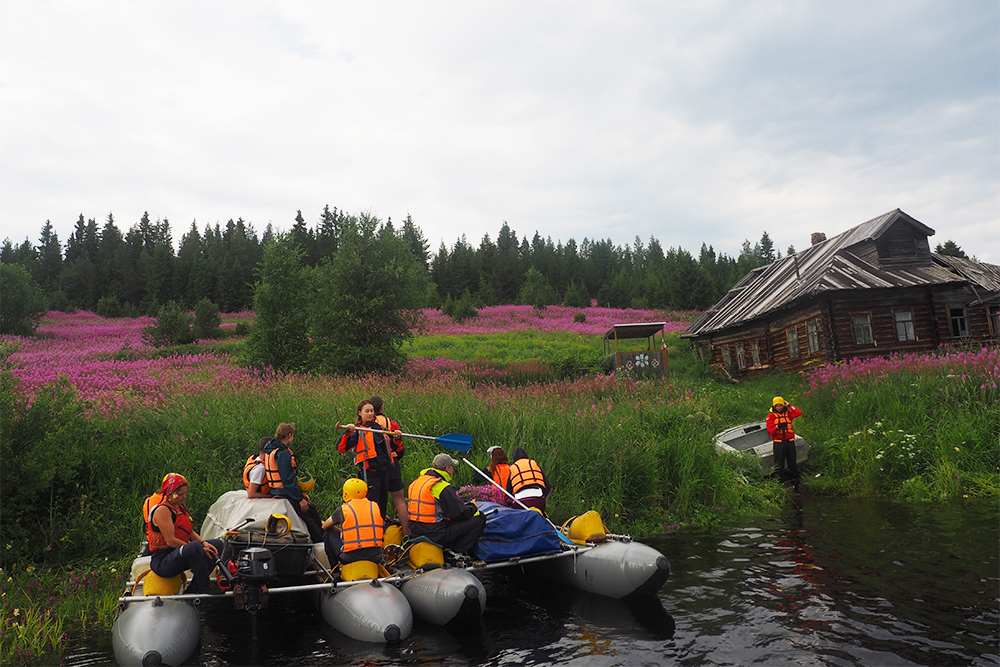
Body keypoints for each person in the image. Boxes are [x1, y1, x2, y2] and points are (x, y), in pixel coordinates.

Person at [147, 473, 226, 595]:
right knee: (194, 547)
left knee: (217, 545)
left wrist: (203, 543)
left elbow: (190, 532)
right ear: (170, 493)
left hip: (176, 553)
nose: (184, 497)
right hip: (163, 560)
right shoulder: (163, 511)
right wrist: (197, 549)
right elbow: (170, 541)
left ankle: (195, 586)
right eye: (180, 494)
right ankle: (204, 586)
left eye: (185, 493)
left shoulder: (178, 507)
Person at [407, 453, 486, 556]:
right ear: (448, 468)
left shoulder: (416, 483)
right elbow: (458, 514)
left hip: (415, 531)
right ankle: (458, 552)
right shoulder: (442, 486)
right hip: (436, 534)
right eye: (452, 467)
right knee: (479, 518)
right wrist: (472, 507)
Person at [338, 400, 401, 522]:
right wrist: (347, 432)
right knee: (372, 506)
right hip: (369, 474)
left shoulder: (381, 429)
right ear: (360, 413)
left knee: (381, 508)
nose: (370, 413)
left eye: (372, 411)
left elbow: (396, 448)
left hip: (384, 473)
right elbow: (342, 448)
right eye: (367, 411)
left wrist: (397, 437)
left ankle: (380, 534)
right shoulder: (357, 430)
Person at [263, 423, 324, 542]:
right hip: (284, 492)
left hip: (275, 490)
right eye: (292, 436)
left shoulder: (270, 448)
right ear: (289, 435)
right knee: (311, 512)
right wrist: (300, 499)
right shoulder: (283, 453)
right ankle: (320, 541)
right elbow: (288, 479)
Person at [369, 396, 410, 536]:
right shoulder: (392, 424)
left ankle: (376, 536)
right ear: (381, 408)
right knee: (400, 501)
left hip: (374, 468)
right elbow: (400, 450)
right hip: (392, 465)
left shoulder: (364, 425)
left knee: (375, 504)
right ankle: (406, 535)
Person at [322, 478, 385, 567]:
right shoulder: (374, 506)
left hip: (350, 558)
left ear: (346, 493)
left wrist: (338, 529)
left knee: (328, 533)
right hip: (376, 556)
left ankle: (335, 574)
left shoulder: (344, 509)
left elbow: (325, 526)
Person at [766, 396, 804, 491]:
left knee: (792, 464)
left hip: (790, 442)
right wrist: (778, 427)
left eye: (781, 405)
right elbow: (771, 431)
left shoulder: (788, 414)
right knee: (779, 465)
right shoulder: (771, 417)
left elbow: (798, 412)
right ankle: (779, 487)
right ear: (774, 406)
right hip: (779, 444)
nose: (779, 407)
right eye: (777, 406)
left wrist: (789, 405)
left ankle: (796, 485)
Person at [506, 446, 551, 515]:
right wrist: (543, 496)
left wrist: (509, 504)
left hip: (521, 501)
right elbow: (548, 485)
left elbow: (508, 492)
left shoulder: (513, 468)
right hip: (538, 498)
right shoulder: (533, 464)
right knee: (542, 515)